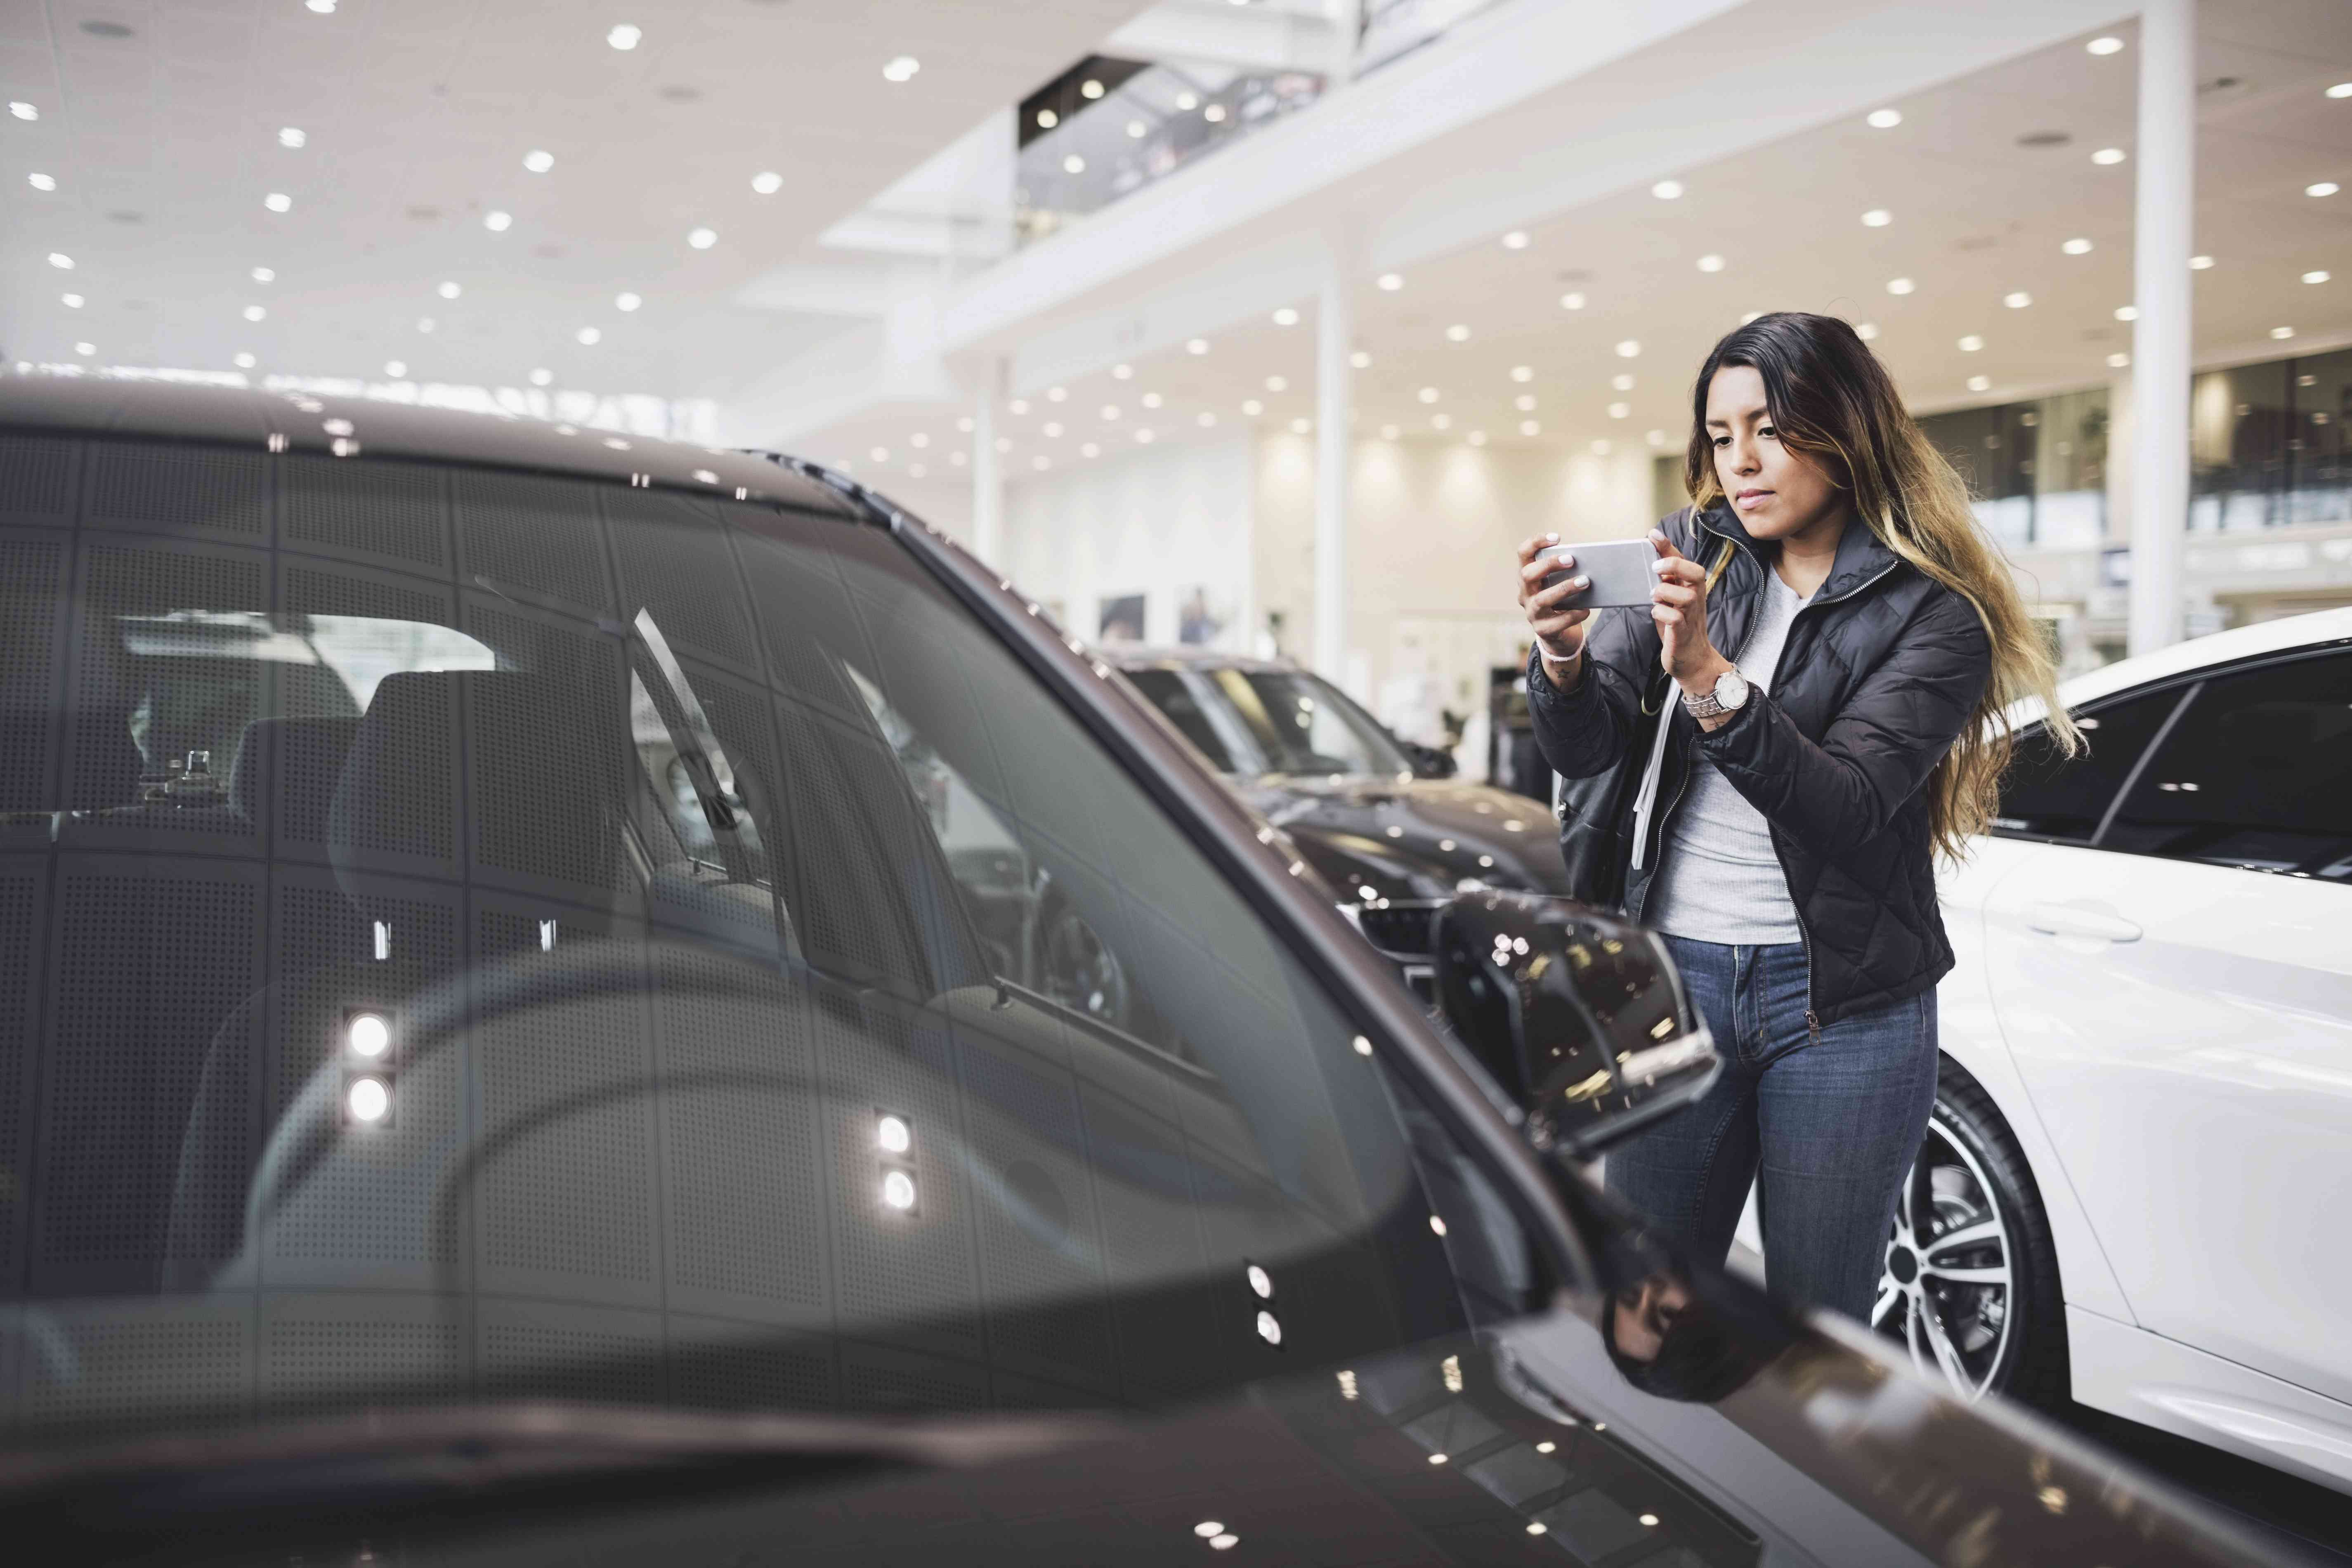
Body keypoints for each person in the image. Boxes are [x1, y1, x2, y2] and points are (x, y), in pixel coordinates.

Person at [1510, 312, 2074, 1323]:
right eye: (1721, 437)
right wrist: (1560, 656)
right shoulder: (1689, 554)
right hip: (1675, 984)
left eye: (1768, 429)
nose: (1741, 463)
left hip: (1844, 1012)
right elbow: (1587, 748)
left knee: (1820, 1333)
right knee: (1643, 1308)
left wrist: (1711, 680)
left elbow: (1849, 809)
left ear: (1843, 427)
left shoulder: (1936, 614)